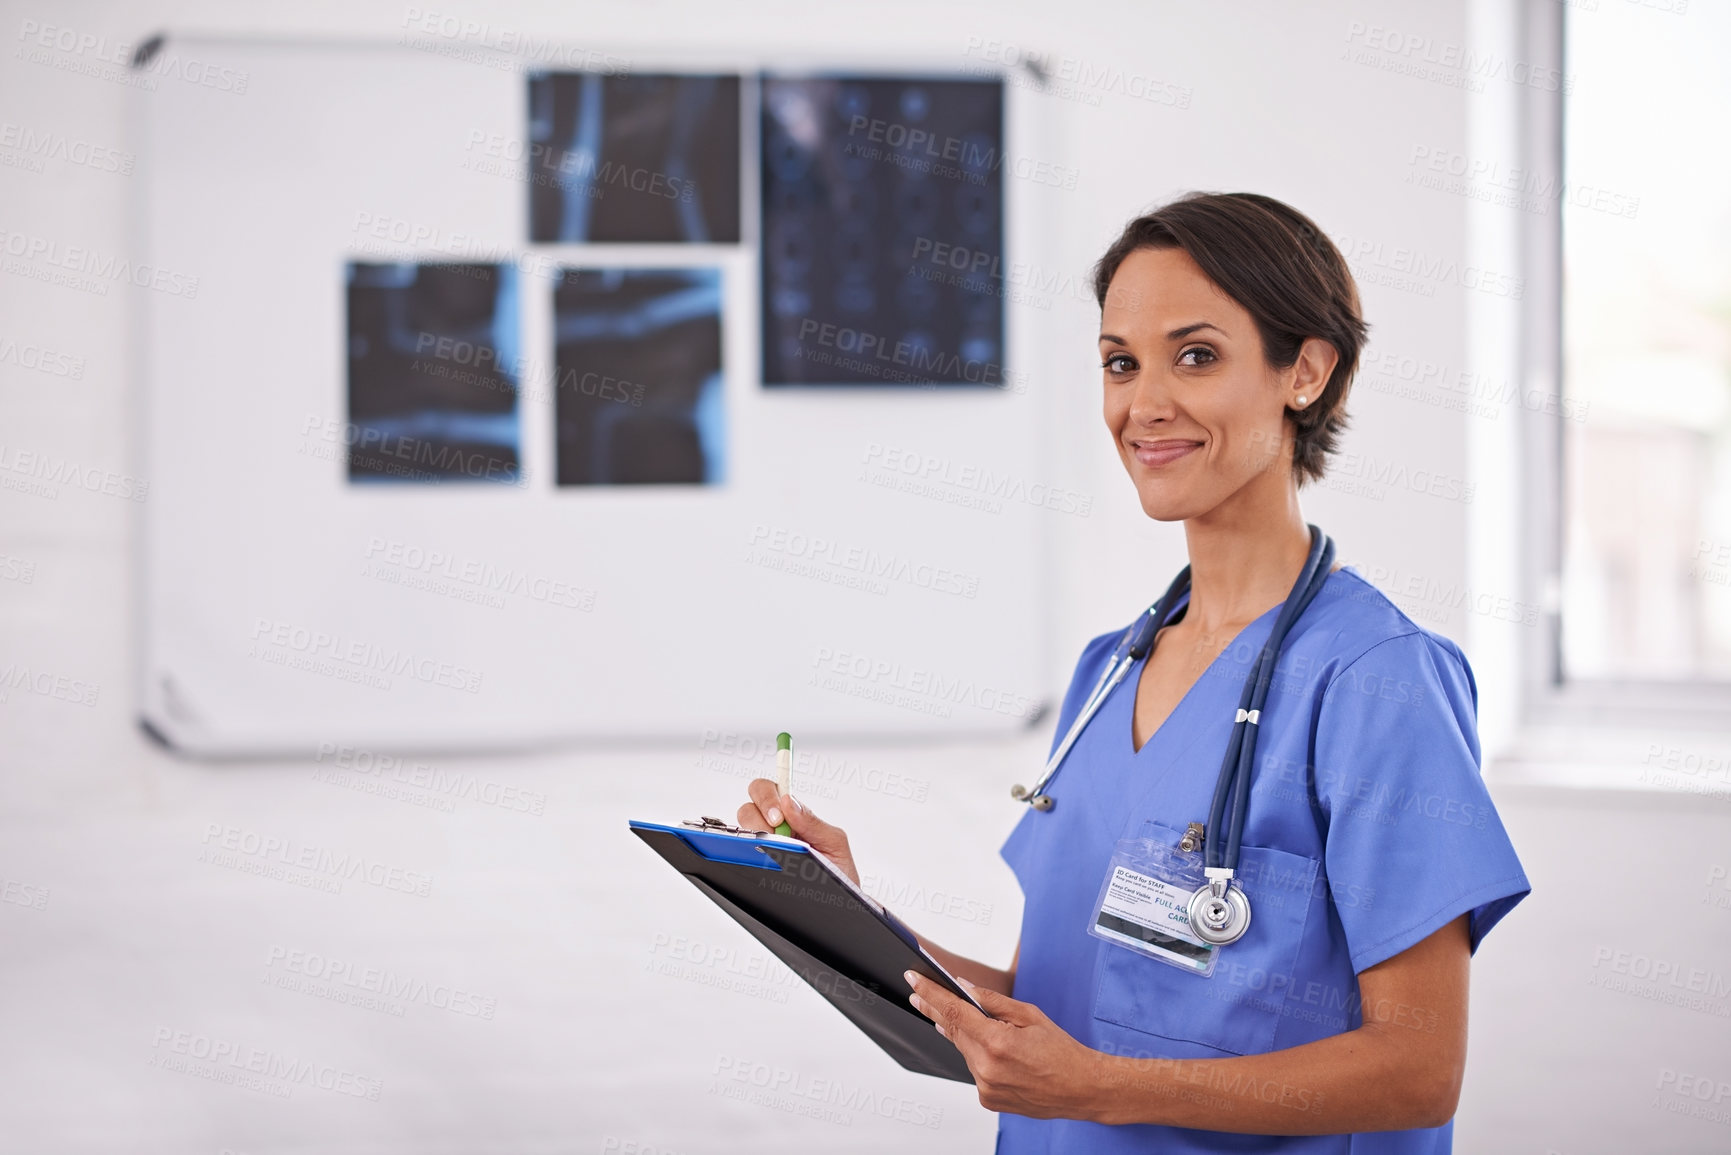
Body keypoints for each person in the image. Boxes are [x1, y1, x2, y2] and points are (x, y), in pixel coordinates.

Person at [738, 192, 1530, 1152]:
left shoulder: (1377, 679)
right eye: (1120, 362)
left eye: (1194, 355)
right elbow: (1048, 1007)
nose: (1142, 404)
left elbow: (1417, 1069)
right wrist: (841, 911)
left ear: (1306, 370)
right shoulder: (1106, 672)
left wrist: (1109, 1088)